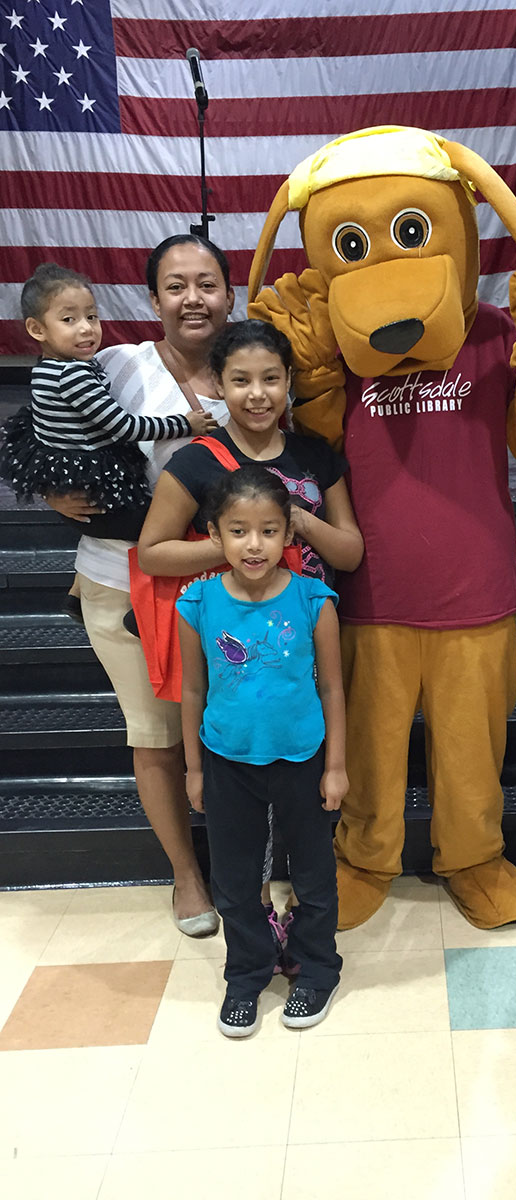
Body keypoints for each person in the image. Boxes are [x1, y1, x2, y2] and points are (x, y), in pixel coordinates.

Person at [137, 319, 363, 949]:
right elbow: (152, 553)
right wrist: (233, 552)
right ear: (220, 386)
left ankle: (306, 916)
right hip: (239, 658)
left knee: (307, 795)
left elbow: (349, 551)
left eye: (270, 378)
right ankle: (257, 920)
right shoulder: (196, 462)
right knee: (243, 808)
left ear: (290, 382)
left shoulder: (315, 453)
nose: (257, 394)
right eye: (240, 381)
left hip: (305, 646)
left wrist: (294, 524)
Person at [43, 234, 236, 934]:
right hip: (121, 582)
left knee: (235, 728)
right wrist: (48, 491)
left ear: (229, 293)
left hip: (232, 585)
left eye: (207, 283)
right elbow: (44, 433)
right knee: (155, 736)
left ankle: (250, 864)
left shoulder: (253, 366)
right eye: (176, 286)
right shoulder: (114, 367)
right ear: (152, 300)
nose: (194, 298)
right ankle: (187, 876)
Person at [178, 466, 345, 1036]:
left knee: (315, 873)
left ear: (289, 535)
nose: (255, 545)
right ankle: (246, 973)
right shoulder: (197, 604)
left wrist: (338, 766)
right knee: (234, 879)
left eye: (270, 531)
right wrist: (195, 769)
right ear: (214, 535)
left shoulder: (313, 600)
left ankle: (317, 968)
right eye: (240, 531)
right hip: (226, 760)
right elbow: (193, 689)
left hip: (302, 758)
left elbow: (332, 687)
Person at [0, 261, 217, 618]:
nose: (86, 329)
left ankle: (75, 592)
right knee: (163, 527)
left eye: (92, 317)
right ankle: (137, 613)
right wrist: (185, 424)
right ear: (37, 329)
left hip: (80, 485)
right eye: (69, 320)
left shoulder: (46, 369)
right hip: (96, 493)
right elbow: (125, 427)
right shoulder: (74, 377)